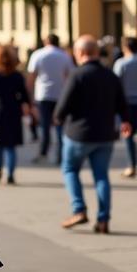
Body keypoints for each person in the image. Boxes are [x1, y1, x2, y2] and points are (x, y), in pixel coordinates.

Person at [55, 35, 133, 233]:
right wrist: (125, 121)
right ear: (96, 53)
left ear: (80, 53)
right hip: (106, 135)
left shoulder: (77, 75)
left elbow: (62, 108)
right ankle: (103, 219)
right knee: (101, 176)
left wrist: (57, 117)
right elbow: (122, 103)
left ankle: (79, 209)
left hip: (78, 135)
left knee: (70, 169)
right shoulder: (110, 75)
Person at [0, 45, 31, 184]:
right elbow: (24, 95)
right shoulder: (17, 75)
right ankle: (10, 173)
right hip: (13, 111)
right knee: (11, 145)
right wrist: (28, 106)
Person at [26, 34, 73, 163]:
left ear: (46, 41)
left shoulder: (38, 54)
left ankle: (43, 152)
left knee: (45, 126)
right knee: (59, 126)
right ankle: (61, 154)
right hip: (60, 94)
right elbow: (70, 76)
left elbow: (32, 76)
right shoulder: (65, 56)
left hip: (43, 94)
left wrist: (29, 96)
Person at [114, 36, 137, 178]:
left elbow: (115, 85)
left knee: (128, 136)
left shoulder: (121, 63)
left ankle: (131, 166)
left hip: (127, 104)